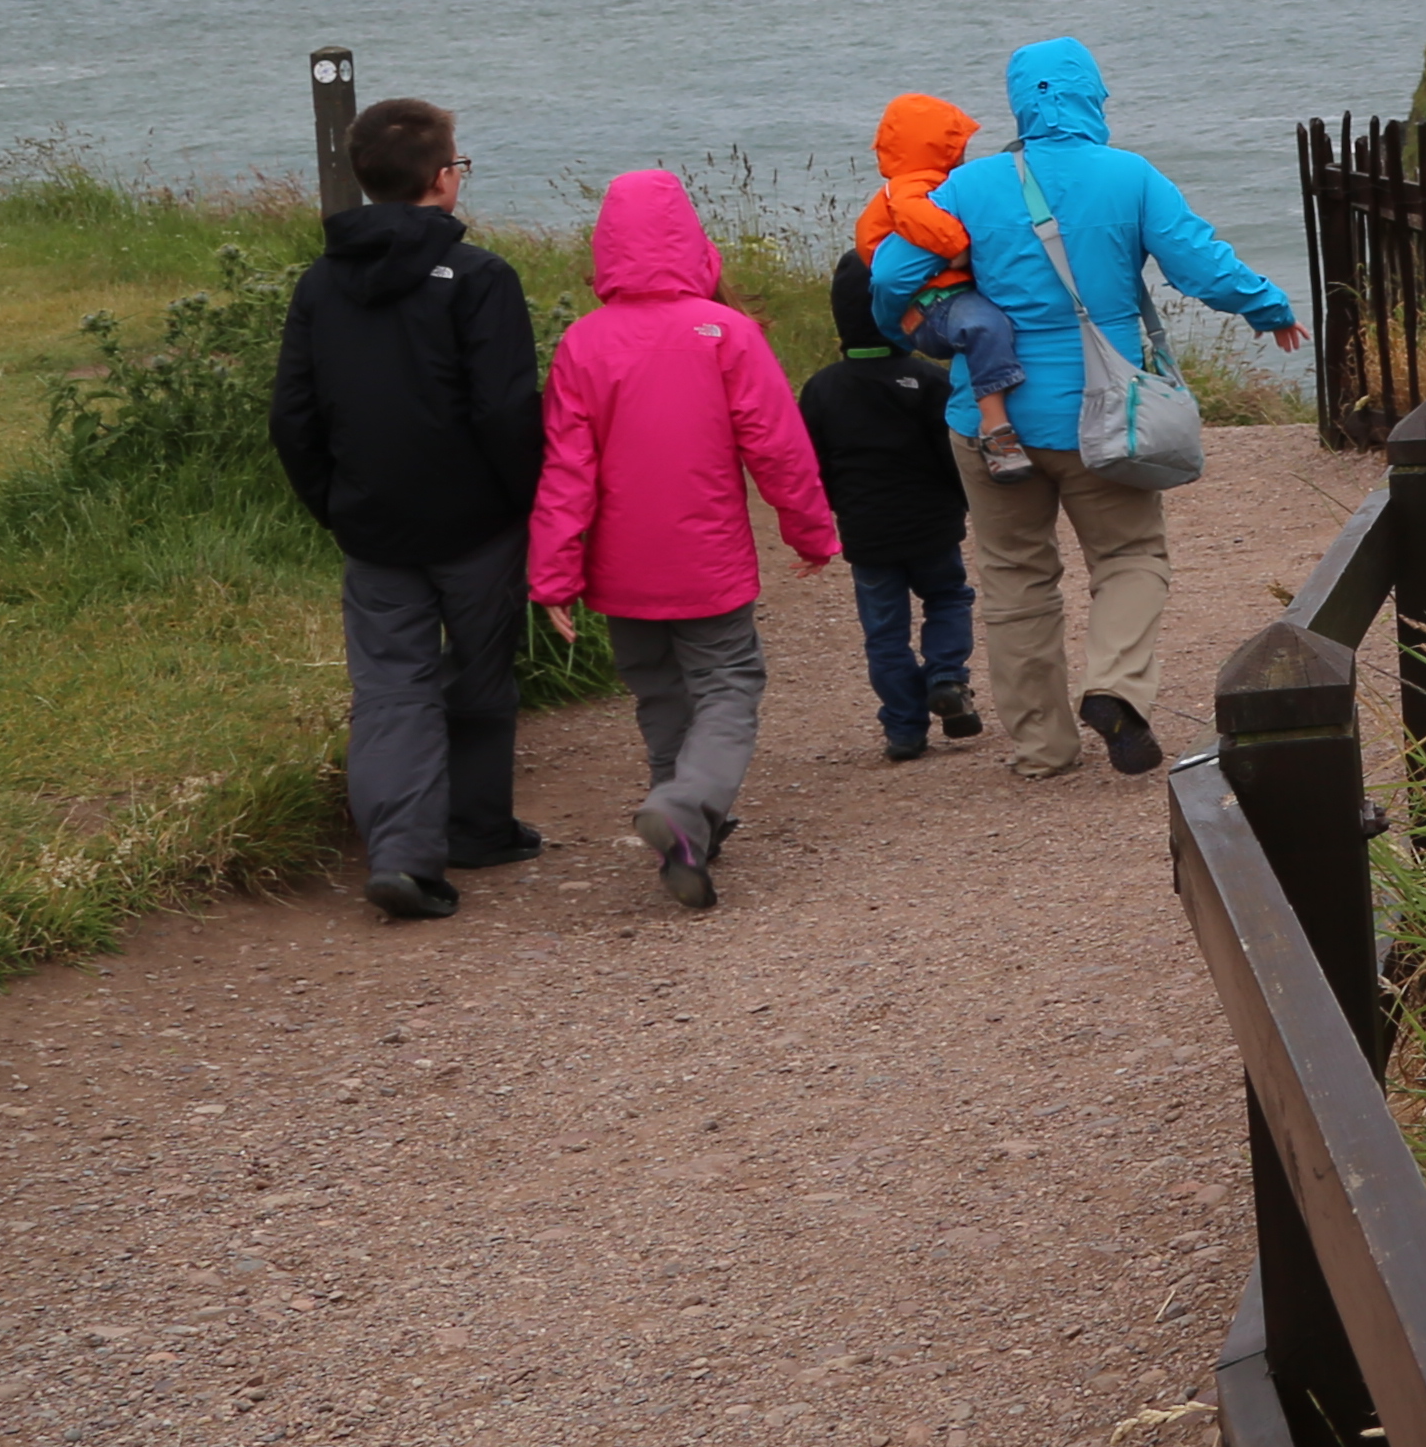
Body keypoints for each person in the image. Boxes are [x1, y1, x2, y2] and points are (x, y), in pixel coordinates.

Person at [876, 36, 1300, 778]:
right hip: (1103, 416)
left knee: (1015, 578)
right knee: (1130, 556)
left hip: (989, 420)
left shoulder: (968, 187)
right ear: (1091, 98)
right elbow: (1200, 265)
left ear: (1019, 105)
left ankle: (1042, 748)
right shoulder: (1129, 176)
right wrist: (1266, 308)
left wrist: (905, 328)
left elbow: (892, 272)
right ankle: (1114, 689)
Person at [264, 97, 550, 922]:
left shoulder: (321, 283)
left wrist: (331, 500)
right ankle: (477, 826)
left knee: (391, 687)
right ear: (440, 179)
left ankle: (401, 855)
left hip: (372, 521)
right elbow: (504, 411)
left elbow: (294, 414)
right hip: (476, 521)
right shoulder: (483, 277)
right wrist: (529, 504)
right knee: (481, 672)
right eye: (457, 165)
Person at [529, 168, 841, 908]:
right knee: (729, 684)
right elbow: (777, 446)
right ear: (693, 243)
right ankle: (689, 803)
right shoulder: (724, 333)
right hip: (708, 561)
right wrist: (810, 531)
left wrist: (553, 576)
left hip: (621, 568)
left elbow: (565, 470)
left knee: (657, 689)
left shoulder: (583, 344)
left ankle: (688, 825)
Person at [801, 247, 986, 762]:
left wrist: (833, 512)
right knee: (948, 597)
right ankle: (947, 677)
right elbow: (952, 454)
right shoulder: (929, 379)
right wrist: (963, 502)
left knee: (884, 631)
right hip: (932, 523)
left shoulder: (821, 390)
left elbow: (810, 465)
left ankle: (904, 728)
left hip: (866, 532)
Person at [848, 92, 1033, 476]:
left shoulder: (918, 183)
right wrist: (958, 246)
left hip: (937, 295)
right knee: (985, 326)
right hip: (933, 301)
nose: (963, 155)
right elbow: (915, 223)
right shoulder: (914, 187)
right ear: (934, 147)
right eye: (957, 146)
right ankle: (996, 430)